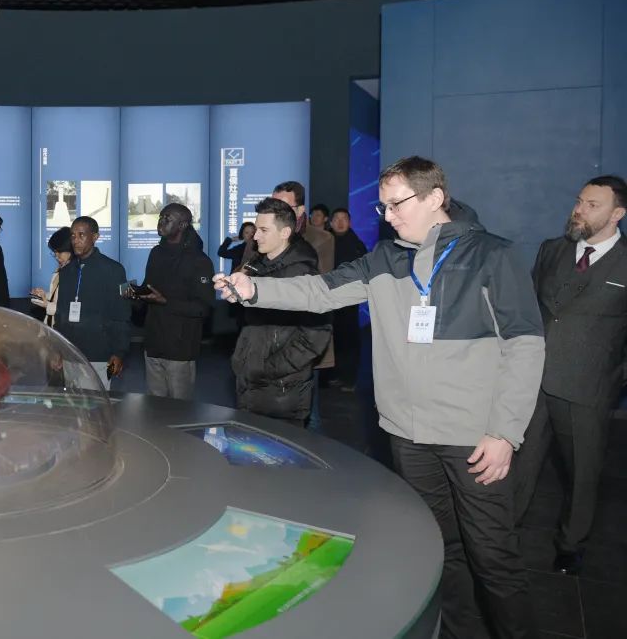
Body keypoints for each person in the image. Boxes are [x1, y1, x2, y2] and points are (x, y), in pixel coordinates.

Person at [215, 156, 544, 639]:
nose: (387, 216)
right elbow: (318, 291)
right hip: (407, 436)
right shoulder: (385, 259)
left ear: (434, 198)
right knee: (441, 550)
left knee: (493, 557)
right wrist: (253, 288)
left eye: (396, 204)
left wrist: (504, 432)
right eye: (382, 206)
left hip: (474, 438)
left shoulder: (492, 255)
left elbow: (525, 344)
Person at [514, 175, 627, 577]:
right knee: (519, 462)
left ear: (617, 214)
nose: (579, 210)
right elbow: (529, 310)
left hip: (588, 389)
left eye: (592, 205)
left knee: (582, 473)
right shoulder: (552, 250)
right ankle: (504, 530)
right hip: (535, 382)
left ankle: (570, 544)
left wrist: (613, 377)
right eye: (579, 201)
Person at [231, 198, 331, 425]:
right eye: (256, 229)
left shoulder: (303, 275)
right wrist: (242, 360)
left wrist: (270, 368)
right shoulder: (257, 267)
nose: (255, 236)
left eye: (263, 230)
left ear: (285, 232)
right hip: (251, 387)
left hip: (283, 395)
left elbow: (316, 335)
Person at [132, 204, 215, 400]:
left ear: (182, 225)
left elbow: (203, 308)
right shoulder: (156, 253)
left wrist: (165, 301)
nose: (161, 222)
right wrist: (136, 294)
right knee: (154, 405)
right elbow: (149, 287)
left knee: (179, 409)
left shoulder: (199, 260)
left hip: (180, 348)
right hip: (153, 343)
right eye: (160, 217)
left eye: (167, 219)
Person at [271, 182, 334, 429]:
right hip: (267, 337)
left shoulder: (321, 239)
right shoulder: (262, 234)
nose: (276, 210)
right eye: (274, 204)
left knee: (307, 413)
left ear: (300, 210)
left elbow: (320, 287)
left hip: (304, 337)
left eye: (284, 205)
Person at [55, 216, 130, 390]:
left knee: (97, 403)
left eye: (81, 235)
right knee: (72, 403)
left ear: (95, 237)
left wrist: (119, 353)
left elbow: (122, 314)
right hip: (70, 354)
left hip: (101, 356)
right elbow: (60, 314)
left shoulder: (114, 270)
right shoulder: (66, 272)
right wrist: (57, 349)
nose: (76, 240)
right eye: (73, 236)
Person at [328, 207, 369, 390]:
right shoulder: (325, 242)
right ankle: (335, 375)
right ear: (331, 222)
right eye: (336, 219)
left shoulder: (356, 244)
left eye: (344, 219)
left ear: (350, 222)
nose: (340, 222)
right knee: (333, 337)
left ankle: (349, 378)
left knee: (349, 338)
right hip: (326, 298)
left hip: (349, 299)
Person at [31, 227, 73, 327]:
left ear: (70, 250)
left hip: (64, 328)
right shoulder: (61, 268)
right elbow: (59, 296)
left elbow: (71, 309)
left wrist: (47, 305)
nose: (56, 256)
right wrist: (44, 295)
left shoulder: (76, 273)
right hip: (52, 325)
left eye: (59, 251)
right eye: (54, 252)